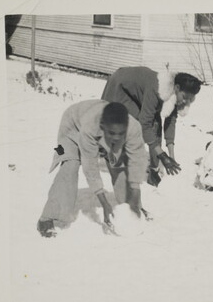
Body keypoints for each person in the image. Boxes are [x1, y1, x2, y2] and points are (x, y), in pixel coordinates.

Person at [36, 100, 148, 238]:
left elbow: (137, 162)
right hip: (72, 127)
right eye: (113, 133)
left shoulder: (134, 127)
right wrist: (105, 204)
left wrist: (135, 200)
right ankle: (48, 217)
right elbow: (90, 167)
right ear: (102, 127)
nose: (117, 138)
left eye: (121, 134)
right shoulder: (90, 128)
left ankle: (130, 206)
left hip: (102, 126)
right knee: (70, 165)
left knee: (119, 165)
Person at [101, 67, 202, 186]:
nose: (186, 102)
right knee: (127, 122)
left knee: (155, 125)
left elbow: (170, 122)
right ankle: (107, 149)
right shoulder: (156, 89)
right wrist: (162, 155)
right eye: (185, 97)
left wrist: (171, 156)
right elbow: (145, 124)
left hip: (138, 90)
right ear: (177, 88)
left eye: (191, 99)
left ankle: (154, 170)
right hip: (120, 85)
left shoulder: (176, 95)